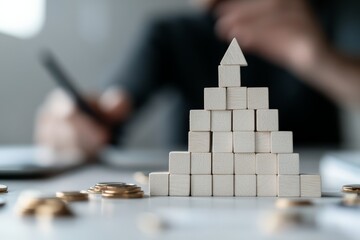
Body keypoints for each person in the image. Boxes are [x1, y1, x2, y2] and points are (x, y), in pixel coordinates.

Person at [35, 0, 360, 158]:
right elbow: (109, 109)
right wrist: (74, 120)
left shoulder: (334, 15)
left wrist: (317, 59)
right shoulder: (170, 35)